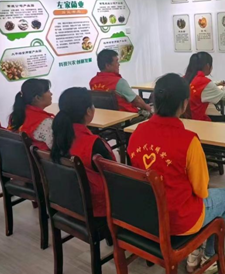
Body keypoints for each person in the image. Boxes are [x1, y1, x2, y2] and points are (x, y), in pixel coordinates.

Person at [127, 74, 225, 273]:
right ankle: (210, 256)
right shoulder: (189, 140)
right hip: (179, 221)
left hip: (147, 216)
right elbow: (201, 190)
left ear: (155, 100)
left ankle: (195, 251)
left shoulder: (137, 133)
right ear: (184, 104)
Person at [50, 87, 115, 216]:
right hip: (99, 207)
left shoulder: (58, 137)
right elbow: (114, 175)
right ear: (88, 111)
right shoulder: (93, 143)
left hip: (68, 200)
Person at [90, 49, 151, 118]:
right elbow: (137, 101)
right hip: (127, 118)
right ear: (108, 65)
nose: (119, 64)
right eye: (116, 61)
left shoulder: (93, 82)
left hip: (106, 118)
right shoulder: (118, 82)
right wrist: (148, 107)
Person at [184, 52, 225, 123]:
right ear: (208, 66)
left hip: (186, 119)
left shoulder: (186, 78)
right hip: (199, 121)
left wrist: (217, 83)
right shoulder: (204, 82)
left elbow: (198, 85)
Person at [9, 79, 54, 151]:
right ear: (38, 98)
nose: (51, 94)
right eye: (48, 91)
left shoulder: (16, 115)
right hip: (41, 158)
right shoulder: (45, 122)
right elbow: (59, 148)